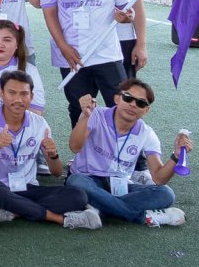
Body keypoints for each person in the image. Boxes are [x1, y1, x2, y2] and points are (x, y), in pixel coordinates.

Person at [0, 70, 99, 229]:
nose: (18, 99)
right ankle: (59, 219)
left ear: (31, 96)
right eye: (12, 93)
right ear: (1, 93)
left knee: (78, 195)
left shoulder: (39, 123)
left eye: (24, 94)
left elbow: (57, 172)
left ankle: (12, 211)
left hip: (28, 188)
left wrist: (53, 155)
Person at [41, 0, 134, 124]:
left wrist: (126, 17)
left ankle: (124, 145)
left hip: (106, 53)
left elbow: (128, 10)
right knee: (79, 108)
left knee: (120, 105)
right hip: (72, 55)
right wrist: (63, 47)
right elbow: (49, 14)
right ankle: (82, 145)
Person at [66, 78, 190, 226]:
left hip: (120, 185)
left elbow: (159, 178)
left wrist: (176, 156)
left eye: (141, 103)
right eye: (128, 98)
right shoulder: (94, 114)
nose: (133, 104)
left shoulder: (146, 133)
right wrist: (86, 116)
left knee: (166, 194)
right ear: (117, 98)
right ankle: (143, 217)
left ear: (146, 110)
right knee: (76, 181)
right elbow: (75, 147)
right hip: (88, 178)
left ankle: (99, 207)